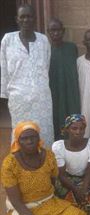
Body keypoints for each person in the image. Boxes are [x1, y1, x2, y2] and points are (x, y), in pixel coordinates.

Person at [1, 121, 86, 215]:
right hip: (25, 209)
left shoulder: (48, 155)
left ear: (38, 138)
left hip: (48, 203)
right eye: (24, 138)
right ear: (18, 141)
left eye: (33, 137)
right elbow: (17, 203)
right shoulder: (10, 164)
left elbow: (52, 180)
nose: (29, 141)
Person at [0, 3, 54, 147]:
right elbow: (3, 68)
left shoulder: (43, 40)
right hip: (19, 100)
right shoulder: (8, 40)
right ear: (17, 19)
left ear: (35, 19)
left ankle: (45, 166)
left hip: (42, 99)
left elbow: (46, 66)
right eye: (22, 17)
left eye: (29, 17)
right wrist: (6, 94)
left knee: (44, 133)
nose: (26, 20)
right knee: (21, 134)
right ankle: (21, 167)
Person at [52, 114, 90, 215]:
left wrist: (83, 189)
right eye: (74, 128)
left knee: (89, 191)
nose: (78, 132)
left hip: (86, 178)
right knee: (63, 191)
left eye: (81, 128)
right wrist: (75, 191)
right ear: (67, 129)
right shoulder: (59, 147)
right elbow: (61, 175)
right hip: (67, 179)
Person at [48, 18, 81, 141]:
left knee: (71, 118)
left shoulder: (71, 48)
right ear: (48, 32)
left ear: (63, 31)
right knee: (55, 119)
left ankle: (72, 145)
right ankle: (57, 146)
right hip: (53, 93)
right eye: (52, 30)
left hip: (70, 94)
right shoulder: (46, 50)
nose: (56, 33)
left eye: (58, 30)